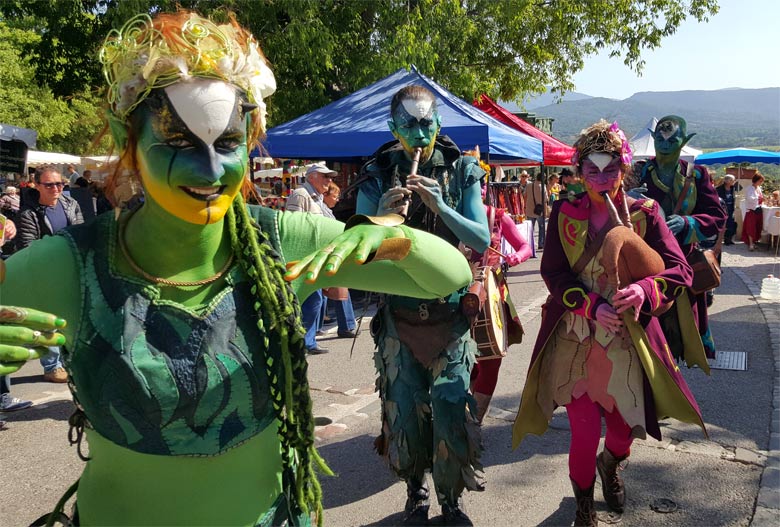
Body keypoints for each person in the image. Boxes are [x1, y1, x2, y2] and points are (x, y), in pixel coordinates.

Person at [0, 11, 474, 526]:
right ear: (126, 135)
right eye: (178, 143)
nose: (208, 171)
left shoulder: (279, 239)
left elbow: (450, 276)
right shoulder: (74, 264)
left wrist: (394, 236)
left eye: (226, 144)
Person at [512, 120, 706, 526]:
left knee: (622, 431)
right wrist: (588, 305)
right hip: (577, 336)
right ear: (580, 170)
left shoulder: (646, 213)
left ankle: (611, 463)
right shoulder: (565, 210)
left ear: (625, 168)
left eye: (611, 168)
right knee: (583, 431)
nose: (602, 178)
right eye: (592, 170)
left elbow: (680, 271)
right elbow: (554, 274)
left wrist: (645, 291)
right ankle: (583, 509)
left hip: (628, 339)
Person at [356, 84, 490, 526]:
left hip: (450, 316)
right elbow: (354, 250)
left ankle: (452, 500)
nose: (419, 131)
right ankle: (416, 491)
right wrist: (377, 214)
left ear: (438, 122)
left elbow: (482, 239)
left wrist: (442, 207)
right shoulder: (376, 173)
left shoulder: (462, 169)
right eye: (409, 123)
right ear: (394, 128)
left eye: (427, 121)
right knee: (405, 412)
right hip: (399, 319)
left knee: (451, 406)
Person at [637, 115, 726, 360]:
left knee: (679, 331)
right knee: (645, 329)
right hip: (644, 261)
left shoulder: (696, 175)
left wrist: (688, 223)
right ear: (654, 138)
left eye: (673, 139)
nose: (665, 145)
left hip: (683, 263)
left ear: (684, 141)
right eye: (660, 139)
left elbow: (716, 215)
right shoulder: (639, 171)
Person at [468, 187, 532, 423]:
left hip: (493, 293)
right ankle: (466, 406)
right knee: (462, 358)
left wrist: (518, 257)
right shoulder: (449, 214)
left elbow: (523, 246)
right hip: (455, 296)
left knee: (491, 360)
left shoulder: (497, 215)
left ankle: (474, 420)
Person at [15, 166, 84, 384]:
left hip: (71, 269)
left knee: (72, 318)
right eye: (50, 185)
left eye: (60, 184)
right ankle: (52, 366)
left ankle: (71, 361)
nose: (56, 188)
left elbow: (82, 233)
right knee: (49, 321)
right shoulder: (28, 212)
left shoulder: (70, 204)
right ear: (37, 185)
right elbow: (28, 247)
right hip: (44, 272)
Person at [286, 163, 338, 354]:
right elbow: (292, 226)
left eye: (330, 177)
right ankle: (302, 342)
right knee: (309, 300)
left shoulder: (317, 198)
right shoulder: (301, 195)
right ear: (312, 177)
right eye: (325, 176)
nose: (329, 181)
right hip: (303, 257)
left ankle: (305, 342)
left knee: (314, 300)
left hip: (315, 256)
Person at [320, 181, 358, 339]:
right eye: (335, 196)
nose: (337, 200)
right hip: (329, 252)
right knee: (339, 290)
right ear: (325, 196)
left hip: (332, 252)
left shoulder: (325, 209)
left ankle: (345, 324)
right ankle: (346, 325)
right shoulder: (321, 209)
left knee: (330, 292)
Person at [741, 173, 765, 251]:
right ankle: (751, 244)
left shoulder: (759, 188)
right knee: (751, 227)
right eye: (760, 181)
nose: (761, 182)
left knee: (758, 227)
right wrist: (758, 197)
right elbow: (750, 198)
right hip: (751, 210)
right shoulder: (749, 188)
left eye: (762, 181)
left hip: (758, 209)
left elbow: (760, 199)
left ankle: (754, 242)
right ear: (756, 180)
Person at [524, 172, 547, 250]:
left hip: (530, 209)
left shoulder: (529, 185)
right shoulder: (543, 187)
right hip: (539, 211)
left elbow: (525, 196)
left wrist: (525, 206)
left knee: (530, 228)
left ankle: (530, 244)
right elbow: (545, 201)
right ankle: (541, 243)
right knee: (541, 227)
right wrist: (545, 211)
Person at [717, 174, 738, 245]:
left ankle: (728, 239)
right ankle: (719, 239)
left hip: (730, 208)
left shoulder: (733, 188)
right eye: (732, 180)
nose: (734, 181)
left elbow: (734, 197)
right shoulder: (719, 189)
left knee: (731, 224)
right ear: (727, 181)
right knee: (722, 224)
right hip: (722, 209)